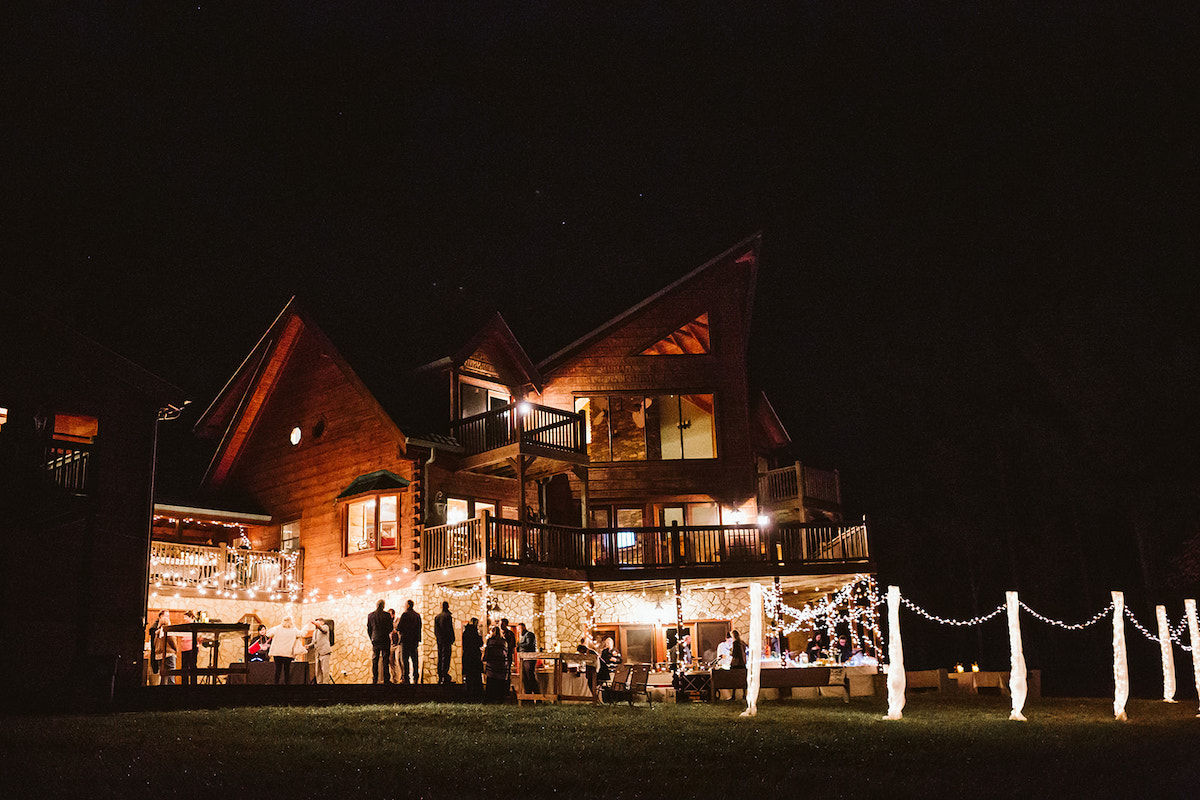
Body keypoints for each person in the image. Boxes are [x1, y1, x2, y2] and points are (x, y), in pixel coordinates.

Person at [265, 616, 300, 684]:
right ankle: (286, 686)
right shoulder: (294, 630)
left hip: (277, 653)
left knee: (278, 670)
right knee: (287, 671)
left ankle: (276, 685)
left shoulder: (277, 628)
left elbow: (268, 633)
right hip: (288, 653)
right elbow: (301, 634)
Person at [367, 599, 393, 684]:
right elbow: (390, 628)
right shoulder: (387, 615)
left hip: (375, 639)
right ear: (383, 606)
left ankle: (375, 679)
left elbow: (369, 628)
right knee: (385, 660)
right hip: (385, 639)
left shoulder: (371, 615)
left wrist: (372, 637)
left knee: (375, 659)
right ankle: (386, 679)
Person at [398, 599, 422, 684]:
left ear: (408, 605)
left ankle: (406, 677)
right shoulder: (417, 615)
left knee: (405, 660)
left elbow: (399, 627)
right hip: (414, 641)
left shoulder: (405, 615)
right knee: (414, 659)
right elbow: (419, 628)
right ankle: (416, 676)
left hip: (406, 640)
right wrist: (418, 639)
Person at [151, 610, 178, 685]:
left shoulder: (157, 632)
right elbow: (173, 642)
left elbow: (154, 644)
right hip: (168, 654)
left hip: (159, 656)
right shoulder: (168, 631)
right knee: (171, 676)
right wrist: (176, 649)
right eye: (167, 616)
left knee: (163, 676)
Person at [483, 625, 509, 703]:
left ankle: (490, 698)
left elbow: (487, 651)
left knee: (491, 681)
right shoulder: (504, 641)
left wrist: (485, 658)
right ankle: (500, 697)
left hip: (492, 662)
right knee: (500, 682)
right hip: (501, 663)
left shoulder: (490, 641)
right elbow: (506, 652)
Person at [461, 617, 484, 700]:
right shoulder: (474, 632)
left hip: (467, 656)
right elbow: (479, 643)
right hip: (474, 657)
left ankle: (469, 693)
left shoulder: (465, 632)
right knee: (476, 676)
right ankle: (476, 694)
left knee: (469, 676)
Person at [433, 601, 455, 685]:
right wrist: (452, 638)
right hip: (446, 640)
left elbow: (436, 630)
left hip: (440, 640)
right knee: (446, 657)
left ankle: (440, 675)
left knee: (440, 656)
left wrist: (438, 638)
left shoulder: (437, 617)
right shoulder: (448, 616)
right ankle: (444, 673)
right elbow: (450, 629)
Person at [515, 622, 538, 695]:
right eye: (518, 629)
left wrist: (519, 645)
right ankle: (528, 695)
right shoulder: (521, 636)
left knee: (530, 676)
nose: (519, 631)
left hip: (529, 658)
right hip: (524, 659)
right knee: (525, 678)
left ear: (524, 628)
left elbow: (528, 644)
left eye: (520, 629)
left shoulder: (529, 635)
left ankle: (537, 695)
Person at [310, 618, 332, 684]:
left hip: (324, 652)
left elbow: (323, 629)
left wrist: (317, 625)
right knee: (318, 672)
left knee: (325, 671)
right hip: (317, 654)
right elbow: (313, 642)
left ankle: (325, 684)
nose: (316, 624)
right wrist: (308, 646)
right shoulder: (314, 632)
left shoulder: (325, 627)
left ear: (322, 622)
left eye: (318, 622)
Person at [178, 610, 197, 685]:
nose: (185, 619)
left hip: (192, 648)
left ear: (191, 617)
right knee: (184, 667)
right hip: (184, 648)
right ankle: (184, 683)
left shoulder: (194, 625)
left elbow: (199, 637)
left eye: (186, 617)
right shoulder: (184, 626)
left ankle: (193, 683)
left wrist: (197, 643)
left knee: (192, 666)